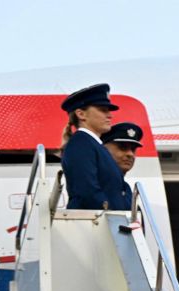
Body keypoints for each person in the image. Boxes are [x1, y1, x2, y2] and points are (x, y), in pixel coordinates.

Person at [59, 83, 127, 211]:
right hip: (94, 221)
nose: (109, 115)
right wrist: (111, 214)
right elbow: (87, 191)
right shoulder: (80, 143)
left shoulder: (92, 144)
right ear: (81, 114)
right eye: (103, 109)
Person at [102, 122, 143, 208]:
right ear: (103, 149)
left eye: (133, 149)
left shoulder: (126, 189)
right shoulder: (95, 185)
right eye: (123, 147)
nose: (130, 154)